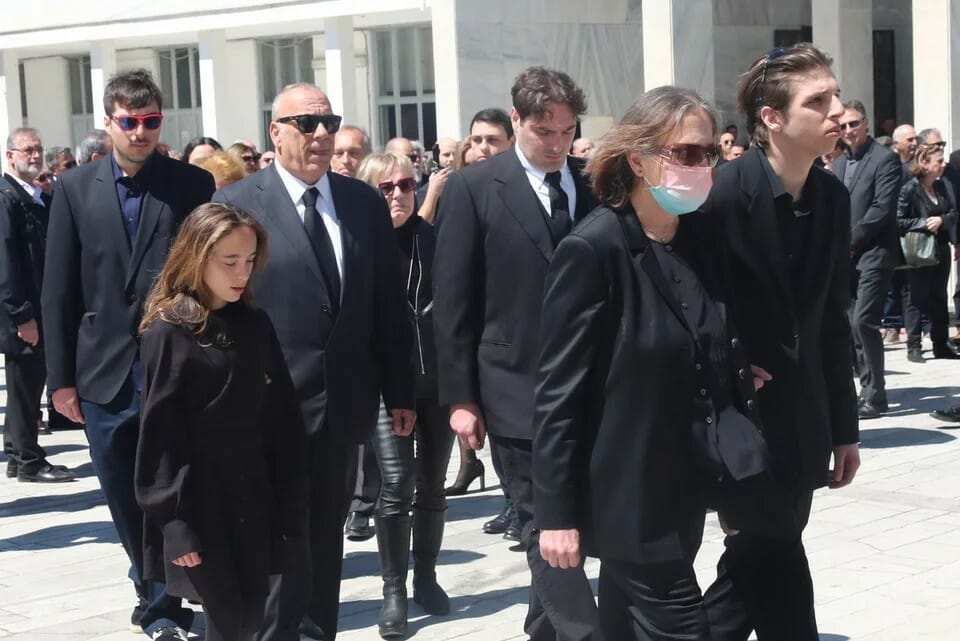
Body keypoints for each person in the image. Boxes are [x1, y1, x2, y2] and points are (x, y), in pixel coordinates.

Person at [535, 86, 767, 641]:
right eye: (685, 152)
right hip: (628, 496)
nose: (701, 165)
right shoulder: (593, 250)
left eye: (709, 152)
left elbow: (709, 342)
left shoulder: (701, 239)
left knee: (626, 627)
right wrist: (555, 515)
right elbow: (559, 395)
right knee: (683, 628)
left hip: (686, 483)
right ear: (638, 160)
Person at [212, 81, 414, 641]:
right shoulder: (235, 205)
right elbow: (213, 312)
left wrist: (399, 391)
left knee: (324, 541)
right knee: (274, 544)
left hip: (343, 406)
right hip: (262, 408)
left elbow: (387, 305)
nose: (321, 134)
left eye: (330, 123)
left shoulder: (362, 203)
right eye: (307, 124)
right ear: (275, 132)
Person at [42, 69, 215, 641]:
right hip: (103, 370)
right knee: (121, 490)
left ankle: (166, 602)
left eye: (151, 121)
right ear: (109, 122)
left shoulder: (191, 184)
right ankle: (149, 584)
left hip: (174, 363)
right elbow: (58, 289)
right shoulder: (73, 189)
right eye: (130, 122)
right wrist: (60, 380)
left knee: (172, 485)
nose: (140, 132)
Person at [698, 43, 860, 641]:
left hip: (804, 420)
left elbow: (832, 323)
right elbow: (694, 309)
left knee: (759, 560)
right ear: (771, 118)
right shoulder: (721, 197)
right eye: (818, 101)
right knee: (772, 552)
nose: (838, 111)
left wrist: (844, 428)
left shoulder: (833, 197)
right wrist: (730, 363)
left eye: (835, 95)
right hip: (741, 422)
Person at [433, 66, 600, 641]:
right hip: (511, 387)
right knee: (541, 524)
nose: (556, 145)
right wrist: (460, 398)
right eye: (543, 131)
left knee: (572, 521)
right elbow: (452, 300)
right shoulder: (474, 189)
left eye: (567, 132)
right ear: (516, 120)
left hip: (589, 386)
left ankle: (543, 630)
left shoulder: (593, 183)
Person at [135, 202, 306, 641]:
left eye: (249, 261)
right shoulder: (169, 330)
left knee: (250, 616)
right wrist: (175, 525)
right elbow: (160, 436)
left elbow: (281, 414)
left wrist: (290, 493)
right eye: (229, 261)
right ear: (197, 257)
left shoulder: (255, 322)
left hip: (254, 492)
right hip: (200, 500)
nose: (242, 273)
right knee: (228, 617)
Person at [355, 152, 454, 637]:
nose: (398, 194)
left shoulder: (434, 239)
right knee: (397, 484)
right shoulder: (359, 245)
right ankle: (393, 591)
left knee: (432, 485)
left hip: (435, 380)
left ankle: (426, 577)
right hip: (383, 384)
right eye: (386, 187)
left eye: (407, 185)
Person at [1, 127, 74, 482]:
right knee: (26, 385)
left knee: (25, 383)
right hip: (24, 312)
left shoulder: (33, 195)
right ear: (9, 156)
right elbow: (6, 262)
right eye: (27, 150)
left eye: (38, 149)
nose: (34, 155)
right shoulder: (7, 198)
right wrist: (21, 316)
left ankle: (17, 453)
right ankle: (29, 460)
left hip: (35, 306)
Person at [832, 99, 901, 420]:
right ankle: (865, 386)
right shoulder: (840, 163)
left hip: (874, 253)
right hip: (845, 258)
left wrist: (851, 242)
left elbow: (881, 210)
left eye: (854, 123)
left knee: (864, 321)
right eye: (843, 126)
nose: (849, 130)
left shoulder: (885, 159)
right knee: (850, 324)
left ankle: (875, 395)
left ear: (866, 123)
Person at [896, 143, 960, 362]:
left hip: (940, 249)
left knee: (939, 296)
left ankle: (940, 344)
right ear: (924, 163)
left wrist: (942, 220)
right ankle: (913, 346)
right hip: (919, 250)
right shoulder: (910, 189)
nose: (943, 165)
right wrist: (923, 223)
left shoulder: (942, 186)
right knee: (916, 297)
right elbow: (899, 220)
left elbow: (953, 213)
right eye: (938, 161)